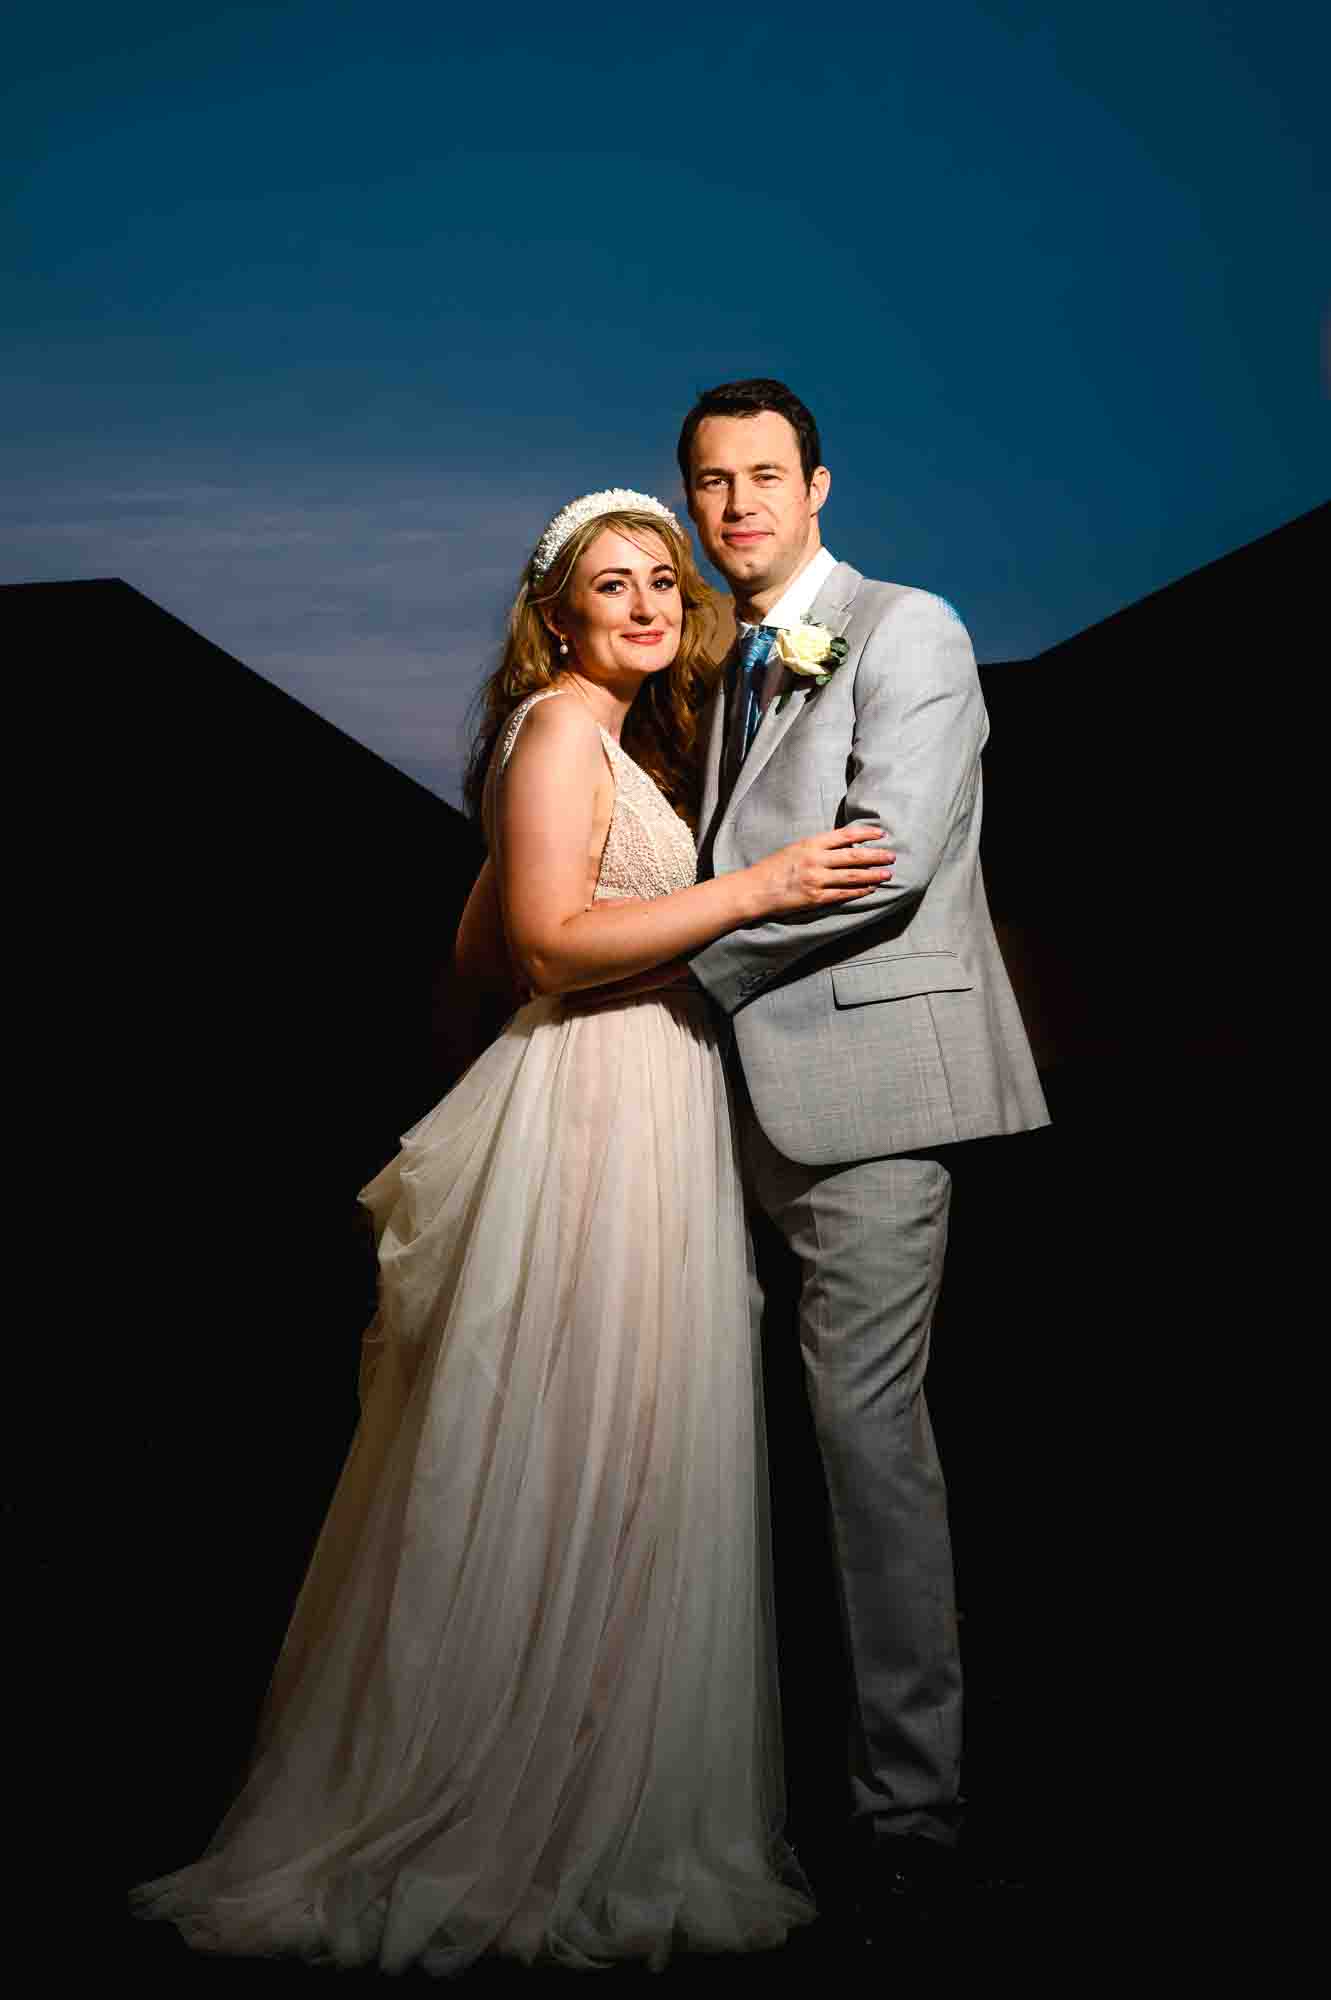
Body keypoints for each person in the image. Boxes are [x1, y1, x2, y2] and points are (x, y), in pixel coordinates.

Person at [131, 489, 897, 1975]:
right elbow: (546, 950)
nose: (645, 602)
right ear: (558, 614)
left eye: (660, 580)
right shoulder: (557, 728)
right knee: (576, 1441)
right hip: (603, 1114)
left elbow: (486, 936)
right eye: (609, 585)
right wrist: (766, 884)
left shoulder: (596, 742)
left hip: (648, 1106)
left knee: (631, 1452)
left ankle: (594, 1786)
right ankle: (523, 1813)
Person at [677, 380, 1050, 1929]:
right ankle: (729, 1789)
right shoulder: (720, 673)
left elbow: (880, 866)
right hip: (721, 1116)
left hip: (873, 1101)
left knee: (866, 1450)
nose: (737, 504)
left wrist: (671, 987)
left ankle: (913, 1818)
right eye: (710, 482)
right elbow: (747, 857)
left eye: (766, 475)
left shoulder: (909, 630)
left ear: (820, 484)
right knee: (713, 1452)